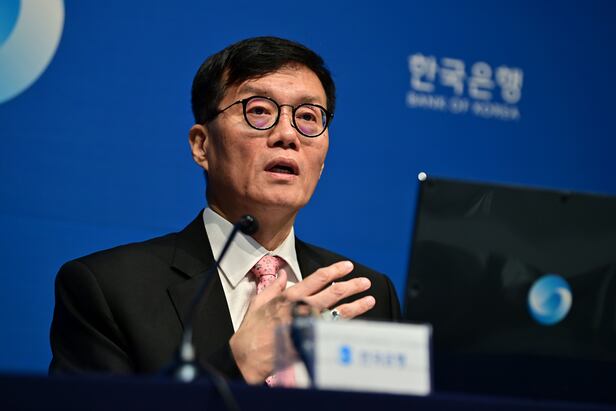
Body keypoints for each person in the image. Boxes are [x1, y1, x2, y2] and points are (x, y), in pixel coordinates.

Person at [49, 36, 401, 384]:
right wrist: (239, 364)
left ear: (322, 161)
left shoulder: (365, 295)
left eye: (308, 116)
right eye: (259, 111)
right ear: (202, 146)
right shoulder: (110, 289)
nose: (287, 134)